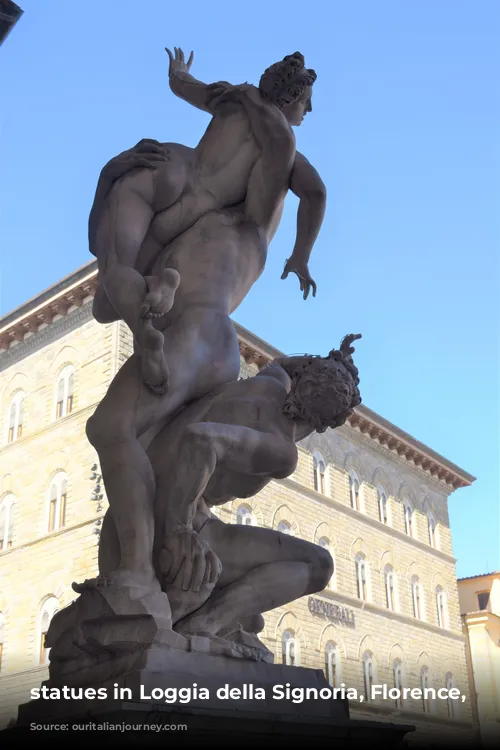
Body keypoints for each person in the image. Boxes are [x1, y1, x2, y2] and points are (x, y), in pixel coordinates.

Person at [88, 79, 318, 594]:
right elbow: (314, 188)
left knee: (110, 429)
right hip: (211, 341)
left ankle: (138, 579)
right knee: (148, 452)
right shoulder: (238, 219)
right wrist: (300, 256)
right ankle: (157, 566)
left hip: (193, 331)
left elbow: (106, 294)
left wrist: (110, 177)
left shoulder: (232, 214)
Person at [88, 48, 326, 393]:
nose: (309, 110)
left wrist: (179, 70)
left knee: (110, 284)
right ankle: (152, 314)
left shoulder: (233, 97)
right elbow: (316, 193)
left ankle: (150, 306)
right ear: (291, 98)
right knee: (106, 304)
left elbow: (183, 86)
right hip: (199, 211)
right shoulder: (286, 149)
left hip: (169, 167)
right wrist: (300, 256)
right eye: (306, 102)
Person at [141, 336, 362, 648]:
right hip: (181, 523)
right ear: (324, 424)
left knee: (252, 615)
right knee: (320, 564)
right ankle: (204, 624)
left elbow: (283, 364)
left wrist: (333, 365)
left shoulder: (271, 383)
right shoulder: (280, 450)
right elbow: (202, 440)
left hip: (152, 493)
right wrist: (178, 527)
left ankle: (224, 618)